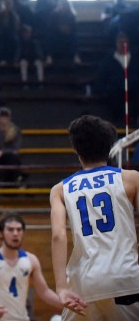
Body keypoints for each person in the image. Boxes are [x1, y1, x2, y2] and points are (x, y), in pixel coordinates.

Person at [50, 115, 139, 319]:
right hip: (125, 279)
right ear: (110, 147)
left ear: (76, 149)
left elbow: (58, 237)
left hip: (83, 285)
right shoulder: (131, 178)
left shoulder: (60, 189)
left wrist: (61, 288)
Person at [0, 214, 63, 321]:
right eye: (10, 230)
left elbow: (44, 292)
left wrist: (68, 305)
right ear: (0, 233)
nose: (15, 233)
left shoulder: (31, 260)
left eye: (19, 230)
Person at [0, 107, 23, 185]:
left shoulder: (15, 130)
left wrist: (2, 151)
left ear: (9, 118)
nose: (4, 119)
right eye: (2, 117)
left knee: (12, 159)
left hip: (12, 158)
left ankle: (11, 184)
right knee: (11, 161)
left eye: (5, 117)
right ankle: (16, 180)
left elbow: (16, 148)